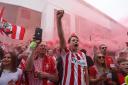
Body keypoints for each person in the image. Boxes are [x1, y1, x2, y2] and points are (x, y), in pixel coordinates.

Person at [56, 10, 89, 85]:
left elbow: (85, 71)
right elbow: (61, 37)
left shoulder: (82, 55)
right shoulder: (66, 53)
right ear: (69, 43)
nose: (76, 41)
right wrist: (58, 20)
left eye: (77, 40)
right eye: (73, 40)